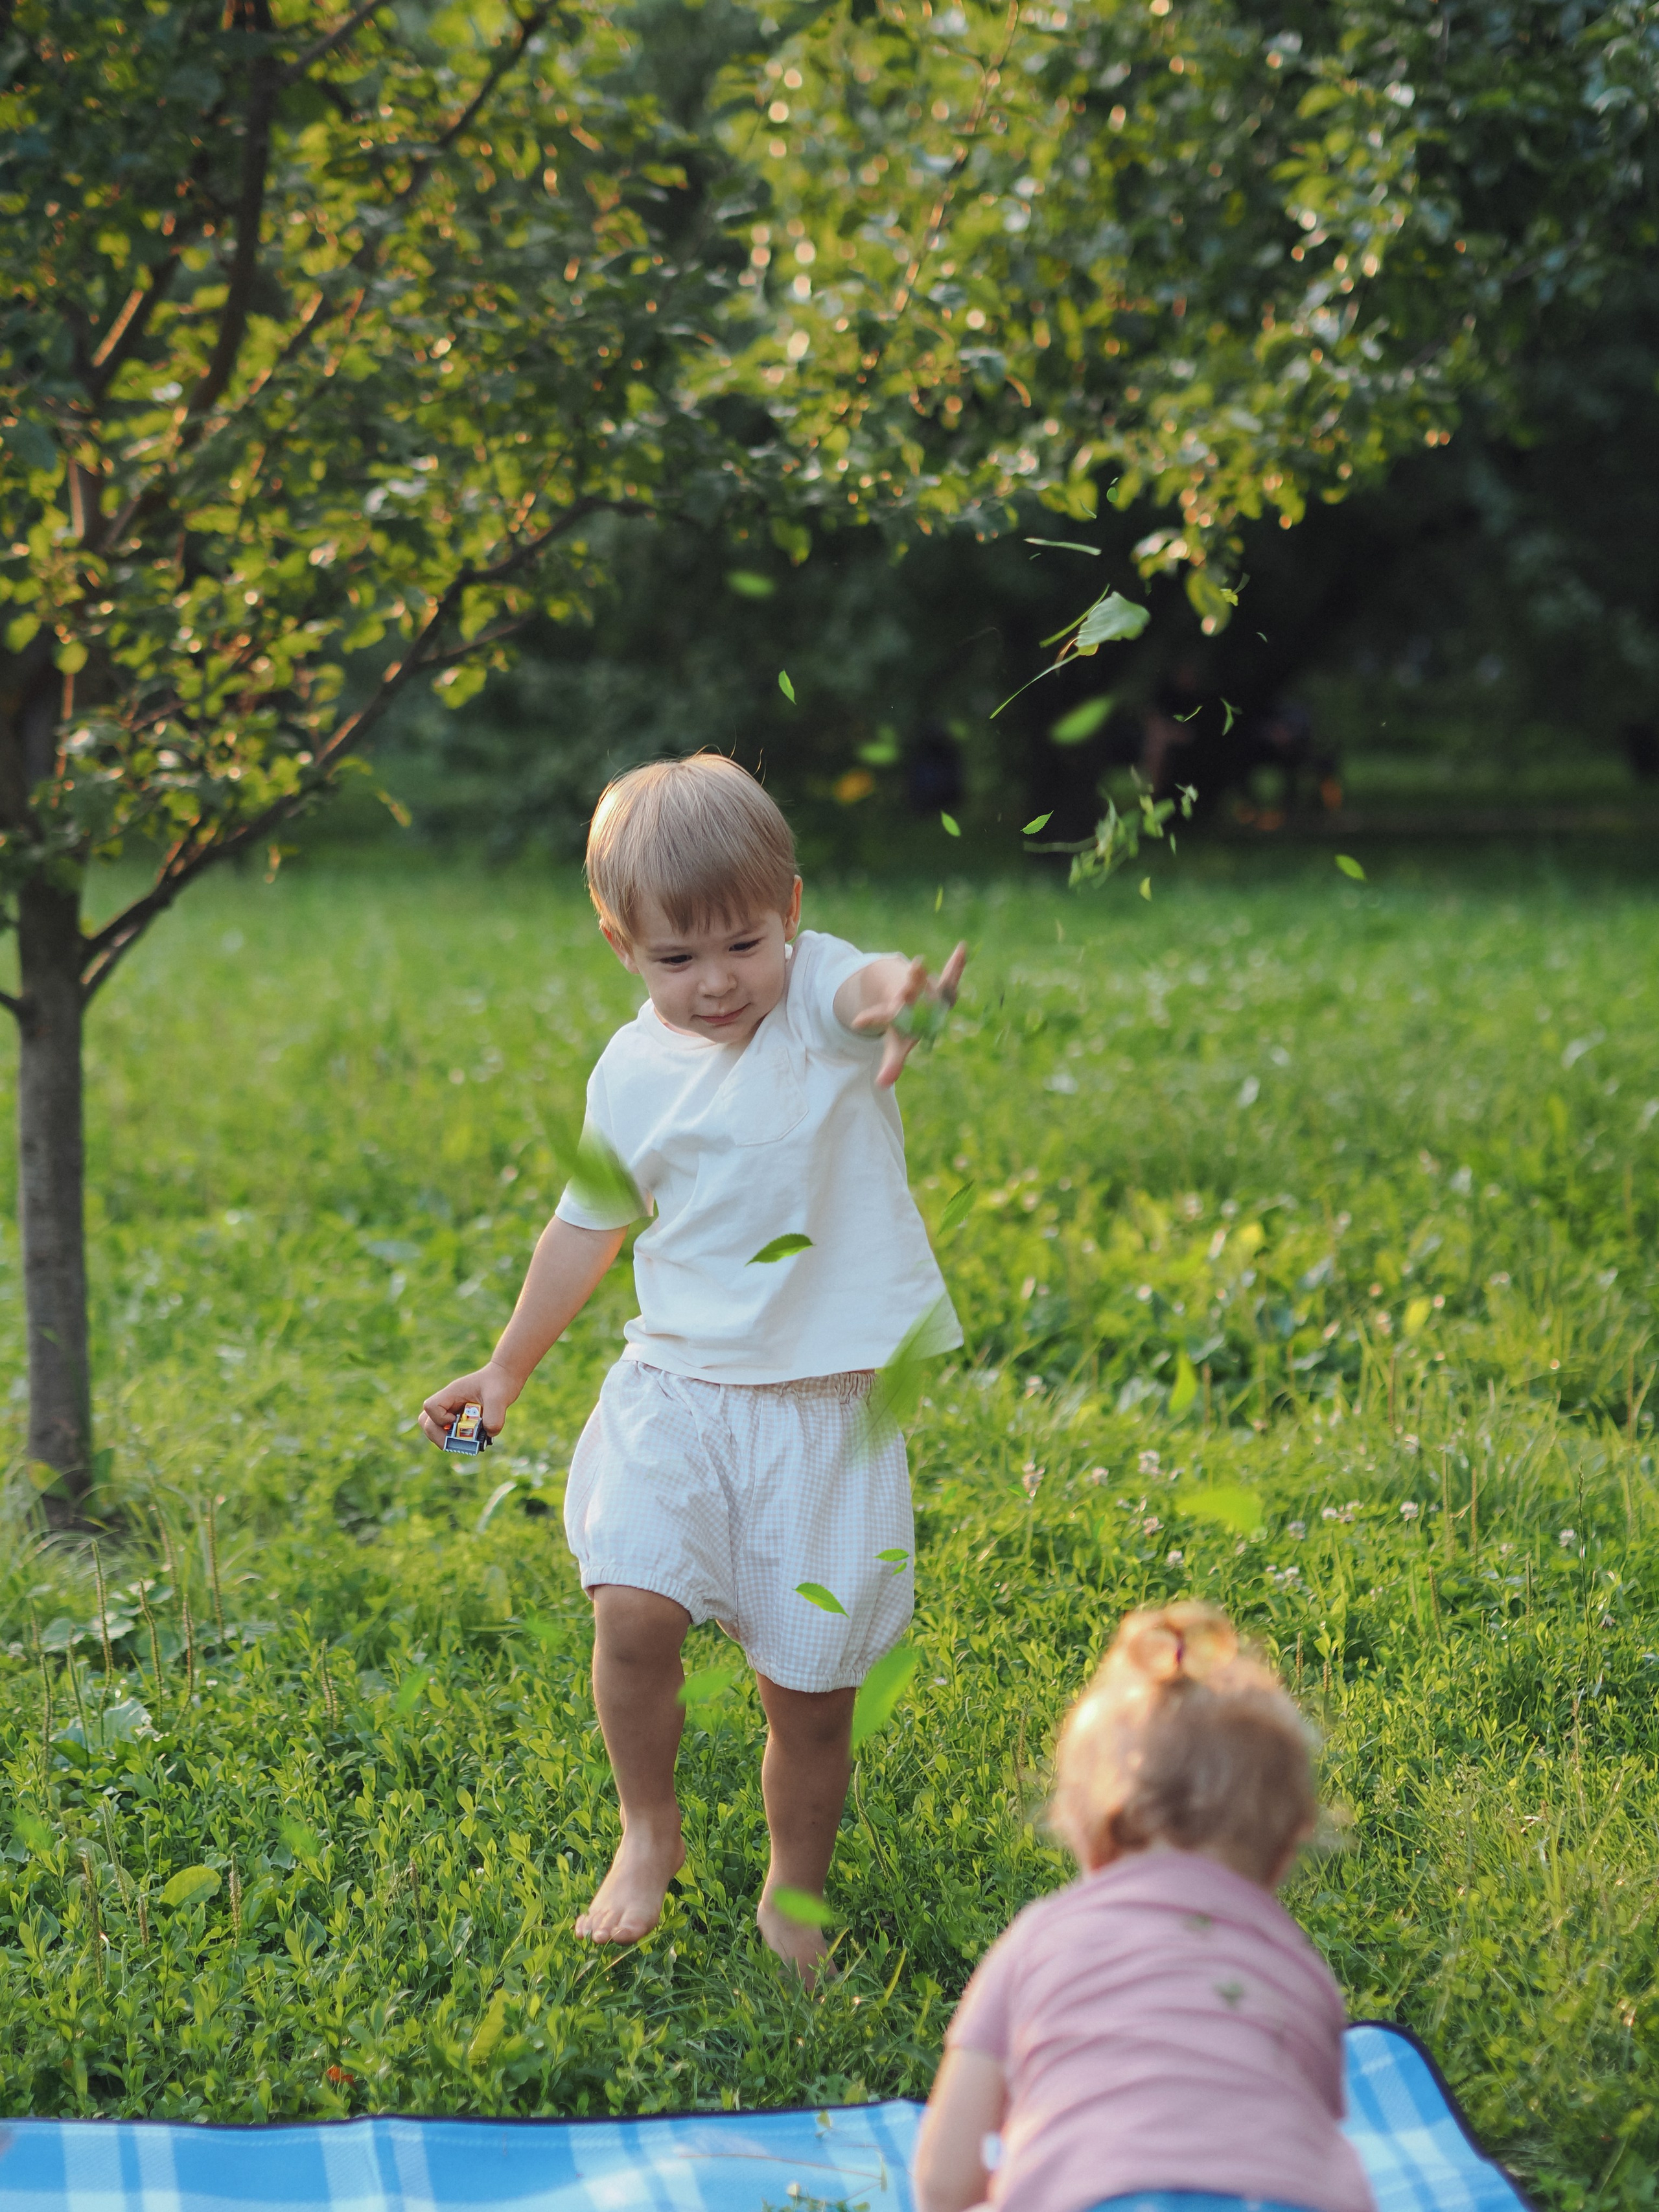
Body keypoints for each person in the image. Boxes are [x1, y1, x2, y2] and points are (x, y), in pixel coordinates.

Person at [419, 754, 965, 1979]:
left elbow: (870, 986)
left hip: (828, 1414)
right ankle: (647, 1828)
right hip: (676, 1391)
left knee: (809, 1696)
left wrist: (907, 997)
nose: (718, 981)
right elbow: (585, 1228)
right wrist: (505, 1371)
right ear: (621, 944)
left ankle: (791, 1893)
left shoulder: (816, 993)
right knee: (632, 1605)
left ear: (791, 911)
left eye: (744, 943)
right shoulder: (629, 1073)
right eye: (677, 957)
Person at [912, 1601, 1376, 2212]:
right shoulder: (1299, 1967)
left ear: (1084, 1826)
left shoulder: (1038, 1940)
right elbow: (1308, 2133)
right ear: (1286, 1850)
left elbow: (945, 2181)